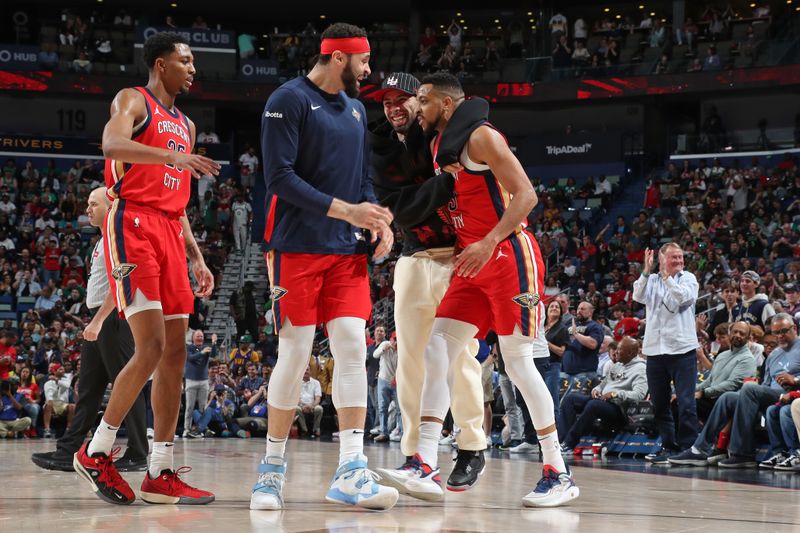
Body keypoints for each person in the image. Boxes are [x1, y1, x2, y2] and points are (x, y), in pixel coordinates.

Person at [377, 73, 578, 508]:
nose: (419, 108)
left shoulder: (483, 137)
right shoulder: (437, 144)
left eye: (424, 101)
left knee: (520, 364)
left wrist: (489, 241)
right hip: (470, 262)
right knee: (436, 347)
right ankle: (424, 461)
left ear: (446, 106)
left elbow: (526, 196)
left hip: (507, 257)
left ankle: (557, 471)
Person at [252, 22, 397, 511]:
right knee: (294, 354)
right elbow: (279, 178)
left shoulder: (357, 109)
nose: (369, 68)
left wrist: (377, 219)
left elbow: (363, 181)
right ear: (339, 57)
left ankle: (351, 468)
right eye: (365, 60)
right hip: (295, 247)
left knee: (354, 347)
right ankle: (271, 472)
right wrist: (349, 211)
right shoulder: (287, 100)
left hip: (345, 253)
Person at [73, 32, 220, 506]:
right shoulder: (132, 99)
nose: (193, 68)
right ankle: (96, 451)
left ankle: (159, 470)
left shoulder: (188, 124)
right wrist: (169, 155)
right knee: (151, 345)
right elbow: (111, 145)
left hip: (169, 233)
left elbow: (177, 208)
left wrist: (196, 256)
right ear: (161, 65)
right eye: (186, 60)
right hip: (132, 223)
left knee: (175, 353)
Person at [368, 72, 485, 489]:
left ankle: (472, 446)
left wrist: (428, 194)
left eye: (405, 100)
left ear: (424, 101)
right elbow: (403, 211)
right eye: (387, 103)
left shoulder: (447, 134)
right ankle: (416, 455)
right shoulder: (380, 147)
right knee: (410, 362)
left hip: (458, 259)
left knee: (459, 359)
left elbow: (476, 105)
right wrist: (445, 183)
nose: (395, 108)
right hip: (413, 258)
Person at [31, 187, 148, 472]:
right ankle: (68, 451)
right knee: (88, 389)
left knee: (127, 384)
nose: (87, 208)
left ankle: (138, 452)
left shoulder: (118, 237)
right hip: (100, 317)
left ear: (111, 208)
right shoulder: (102, 240)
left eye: (93, 204)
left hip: (114, 319)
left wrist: (97, 321)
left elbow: (121, 283)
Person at [670, 314, 800, 467]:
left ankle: (743, 453)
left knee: (748, 388)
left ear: (795, 328)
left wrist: (796, 380)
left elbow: (733, 383)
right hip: (772, 396)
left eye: (784, 331)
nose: (780, 336)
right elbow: (765, 385)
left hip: (793, 395)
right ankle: (700, 449)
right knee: (729, 397)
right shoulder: (773, 356)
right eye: (776, 333)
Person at [632, 243, 699, 464]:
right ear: (662, 260)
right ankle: (669, 446)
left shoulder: (688, 278)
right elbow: (637, 296)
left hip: (682, 350)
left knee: (686, 402)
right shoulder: (651, 280)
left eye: (680, 257)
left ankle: (689, 447)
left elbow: (682, 299)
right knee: (659, 404)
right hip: (655, 350)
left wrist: (668, 278)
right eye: (673, 258)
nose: (679, 261)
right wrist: (646, 271)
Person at [560, 337, 647, 451]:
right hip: (602, 401)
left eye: (619, 349)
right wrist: (596, 390)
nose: (615, 352)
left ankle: (569, 443)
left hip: (620, 409)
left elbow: (639, 394)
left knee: (593, 405)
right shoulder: (617, 365)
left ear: (630, 353)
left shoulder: (641, 368)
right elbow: (603, 384)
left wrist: (615, 394)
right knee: (570, 399)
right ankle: (560, 441)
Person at [694, 321, 757, 423]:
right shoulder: (722, 355)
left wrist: (703, 393)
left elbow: (732, 385)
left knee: (687, 403)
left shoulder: (747, 359)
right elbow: (710, 380)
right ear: (730, 333)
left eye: (742, 333)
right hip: (710, 397)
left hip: (725, 403)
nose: (737, 335)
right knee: (678, 399)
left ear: (748, 338)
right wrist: (691, 391)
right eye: (735, 332)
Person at [183, 329, 217, 438]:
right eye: (198, 336)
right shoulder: (189, 348)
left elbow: (214, 354)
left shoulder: (205, 348)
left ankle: (201, 429)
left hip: (203, 381)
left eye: (201, 336)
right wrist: (202, 353)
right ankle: (186, 429)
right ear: (193, 338)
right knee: (189, 407)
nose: (200, 338)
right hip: (191, 381)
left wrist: (214, 343)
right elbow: (191, 358)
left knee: (203, 408)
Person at [373, 331, 400, 443]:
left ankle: (402, 433)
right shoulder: (384, 344)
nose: (396, 342)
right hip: (383, 379)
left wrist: (396, 377)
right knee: (382, 407)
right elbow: (375, 355)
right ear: (391, 339)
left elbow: (403, 366)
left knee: (400, 409)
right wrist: (383, 349)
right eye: (394, 339)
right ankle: (384, 433)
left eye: (398, 339)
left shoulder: (402, 349)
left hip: (396, 381)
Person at [295, 367, 323, 438]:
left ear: (310, 371)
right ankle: (305, 430)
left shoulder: (316, 383)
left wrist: (311, 406)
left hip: (312, 405)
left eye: (307, 370)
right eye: (304, 370)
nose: (305, 372)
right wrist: (303, 406)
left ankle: (315, 429)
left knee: (319, 409)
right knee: (296, 408)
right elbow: (296, 398)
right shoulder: (296, 382)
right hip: (300, 405)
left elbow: (318, 399)